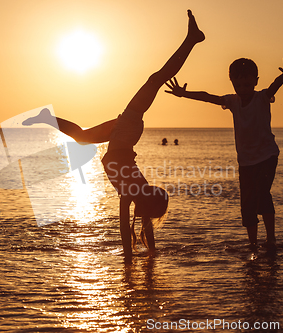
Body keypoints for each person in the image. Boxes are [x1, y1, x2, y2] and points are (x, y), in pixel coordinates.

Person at [23, 10, 205, 260]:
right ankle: (191, 40)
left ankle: (47, 118)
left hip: (122, 137)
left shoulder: (136, 193)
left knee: (82, 136)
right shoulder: (135, 192)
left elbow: (130, 226)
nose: (145, 217)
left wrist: (146, 254)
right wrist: (130, 258)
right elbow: (126, 227)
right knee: (155, 80)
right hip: (124, 136)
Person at [165, 55, 283, 249]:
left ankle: (271, 239)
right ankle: (253, 244)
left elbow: (275, 86)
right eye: (239, 86)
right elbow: (208, 97)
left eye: (248, 85)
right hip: (245, 162)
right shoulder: (233, 102)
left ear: (255, 82)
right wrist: (185, 94)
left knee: (263, 193)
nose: (243, 90)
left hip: (267, 156)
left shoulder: (262, 97)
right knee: (247, 204)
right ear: (233, 83)